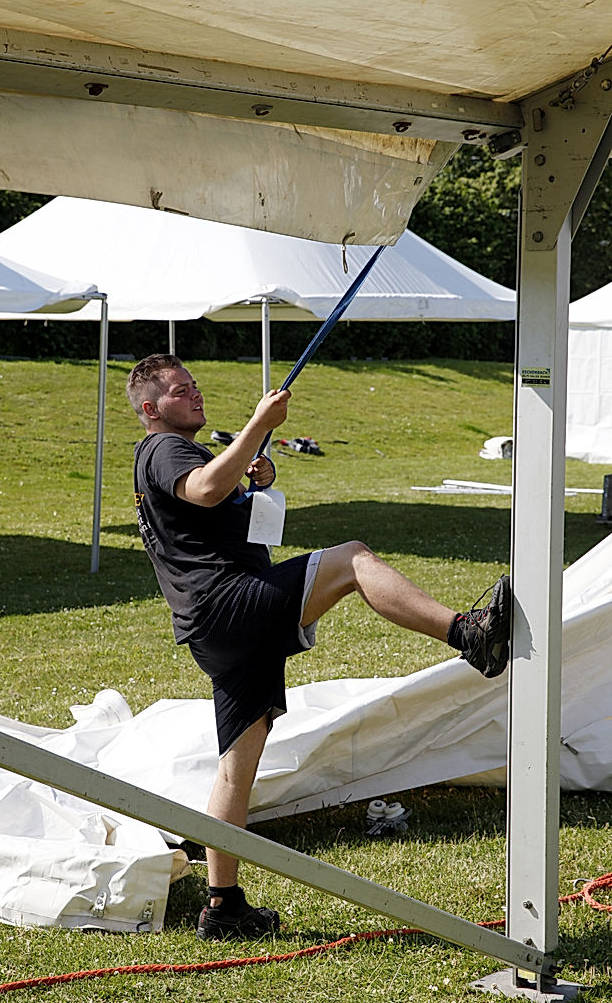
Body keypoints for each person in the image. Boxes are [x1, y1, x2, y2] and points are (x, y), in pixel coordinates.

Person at [126, 353, 510, 941]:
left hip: (211, 630)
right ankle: (468, 635)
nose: (195, 395)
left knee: (237, 767)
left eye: (195, 385)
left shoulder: (174, 455)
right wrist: (257, 424)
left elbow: (213, 496)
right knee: (352, 559)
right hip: (230, 606)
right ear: (151, 409)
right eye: (181, 391)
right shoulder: (164, 449)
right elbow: (203, 490)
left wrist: (253, 481)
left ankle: (222, 903)